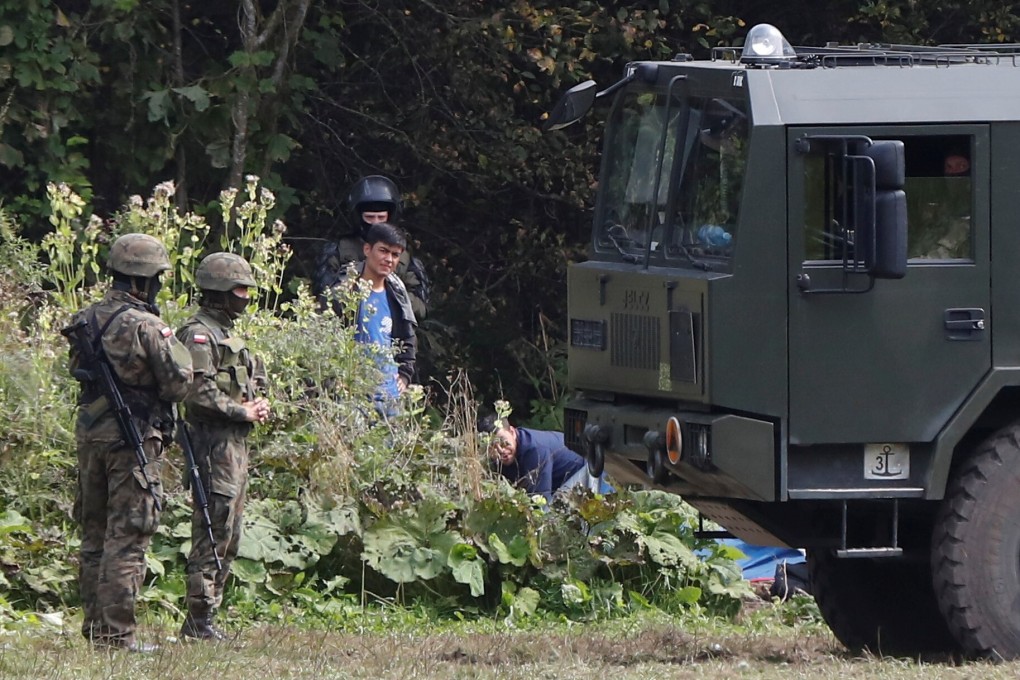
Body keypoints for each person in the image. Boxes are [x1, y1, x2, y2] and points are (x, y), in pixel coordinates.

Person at [63, 233, 194, 652]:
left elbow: (77, 372)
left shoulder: (87, 318)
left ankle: (95, 629)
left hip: (91, 434)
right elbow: (177, 385)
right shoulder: (147, 325)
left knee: (94, 534)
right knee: (129, 536)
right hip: (133, 437)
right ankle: (116, 635)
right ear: (144, 281)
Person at [176, 253, 270, 641]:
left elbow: (252, 379)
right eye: (240, 289)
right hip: (212, 444)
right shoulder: (198, 334)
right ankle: (199, 619)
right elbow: (197, 394)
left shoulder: (228, 334)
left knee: (230, 531)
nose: (246, 296)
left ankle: (207, 615)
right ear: (218, 291)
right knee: (213, 530)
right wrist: (240, 411)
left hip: (234, 445)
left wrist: (258, 404)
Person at [319, 222, 417, 410]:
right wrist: (334, 383)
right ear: (367, 249)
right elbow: (322, 339)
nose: (388, 259)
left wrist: (404, 375)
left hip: (390, 398)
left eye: (395, 255)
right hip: (352, 396)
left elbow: (408, 337)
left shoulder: (397, 293)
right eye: (383, 251)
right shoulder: (343, 291)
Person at [312, 175, 430, 321]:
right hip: (345, 331)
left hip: (390, 332)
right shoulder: (339, 250)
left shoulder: (403, 257)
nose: (375, 224)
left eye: (381, 218)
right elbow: (324, 300)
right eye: (370, 217)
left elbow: (420, 309)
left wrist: (390, 290)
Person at [477, 414, 589, 502]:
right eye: (492, 446)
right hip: (557, 479)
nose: (500, 450)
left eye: (503, 442)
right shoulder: (501, 457)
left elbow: (541, 502)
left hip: (586, 470)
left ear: (512, 432)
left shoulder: (534, 450)